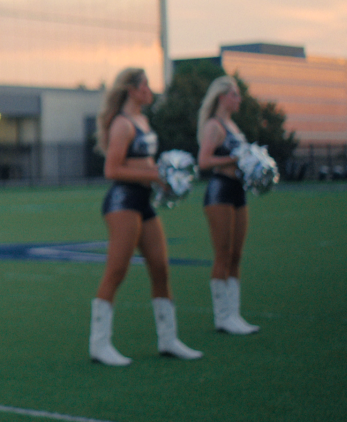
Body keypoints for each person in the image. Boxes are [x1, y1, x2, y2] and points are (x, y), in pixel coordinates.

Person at [89, 67, 202, 366]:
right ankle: (99, 345)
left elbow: (146, 162)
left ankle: (169, 340)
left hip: (143, 201)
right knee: (117, 271)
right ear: (133, 90)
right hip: (123, 201)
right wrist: (155, 174)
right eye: (145, 85)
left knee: (161, 269)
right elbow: (111, 170)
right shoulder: (122, 125)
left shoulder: (143, 120)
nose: (150, 90)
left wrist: (165, 178)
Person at [196, 76, 259, 334]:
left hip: (238, 191)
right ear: (222, 97)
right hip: (220, 191)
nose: (238, 98)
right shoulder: (215, 126)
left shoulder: (234, 126)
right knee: (223, 255)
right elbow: (203, 161)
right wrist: (233, 158)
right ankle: (222, 317)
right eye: (234, 94)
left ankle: (234, 314)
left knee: (236, 255)